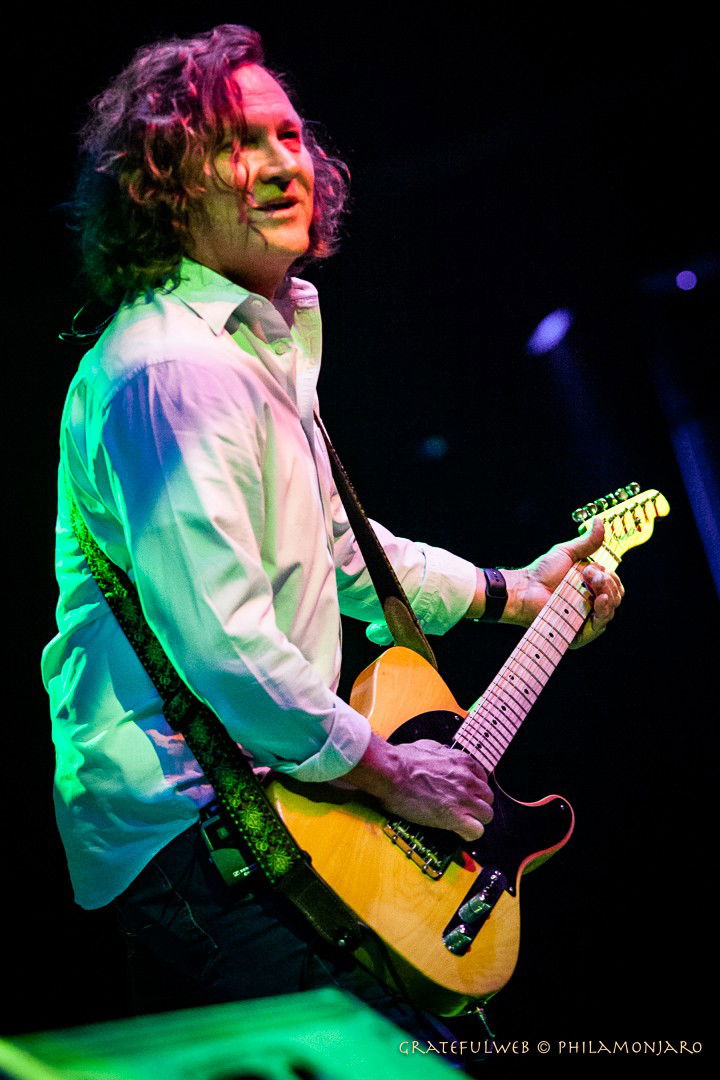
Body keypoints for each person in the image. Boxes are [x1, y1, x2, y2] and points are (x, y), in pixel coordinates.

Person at [42, 22, 623, 1049]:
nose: (282, 163)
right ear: (164, 183)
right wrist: (396, 773)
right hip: (206, 847)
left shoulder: (251, 348)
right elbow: (227, 646)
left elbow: (342, 553)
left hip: (282, 815)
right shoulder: (173, 370)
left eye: (289, 135)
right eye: (237, 143)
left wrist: (515, 591)